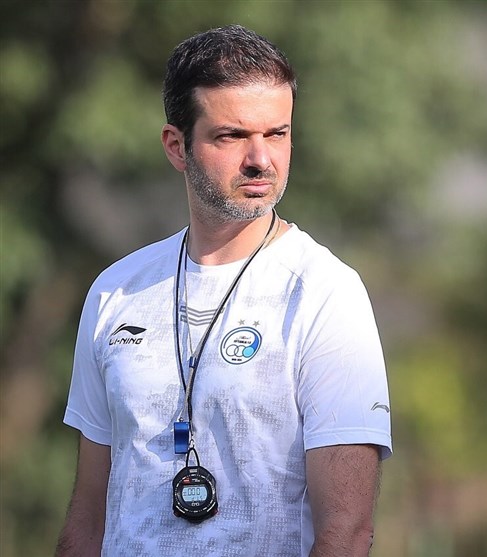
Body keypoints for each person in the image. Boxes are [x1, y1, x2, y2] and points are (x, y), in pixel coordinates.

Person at [56, 25, 392, 557]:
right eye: (232, 136)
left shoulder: (326, 292)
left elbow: (347, 531)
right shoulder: (115, 291)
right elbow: (88, 514)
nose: (261, 159)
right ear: (177, 146)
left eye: (277, 134)